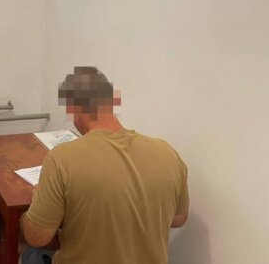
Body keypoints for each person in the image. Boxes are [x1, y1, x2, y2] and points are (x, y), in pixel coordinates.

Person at [20, 67, 189, 264]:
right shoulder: (168, 154)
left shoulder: (61, 159)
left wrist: (29, 214)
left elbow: (38, 237)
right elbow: (178, 219)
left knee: (29, 254)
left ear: (74, 107)